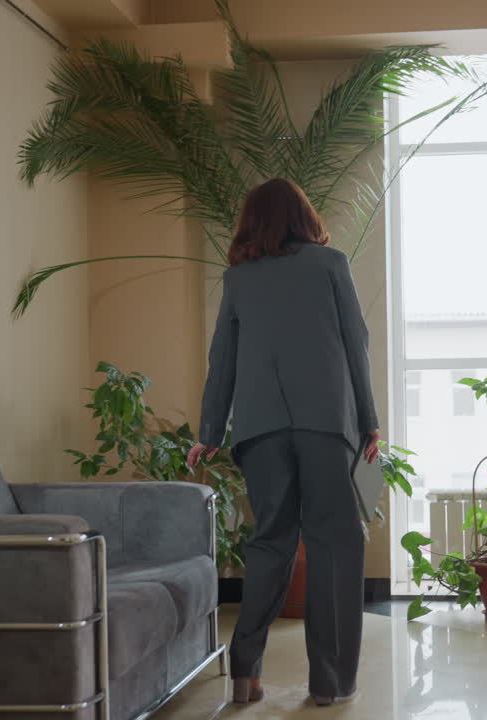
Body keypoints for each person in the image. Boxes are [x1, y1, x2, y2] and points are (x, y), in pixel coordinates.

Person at [187, 177, 380, 707]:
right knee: (335, 546)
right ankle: (329, 685)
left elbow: (221, 359)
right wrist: (370, 422)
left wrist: (209, 433)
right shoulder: (331, 265)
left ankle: (245, 672)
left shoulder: (239, 279)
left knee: (270, 542)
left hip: (260, 428)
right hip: (326, 425)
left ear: (253, 221)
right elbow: (355, 345)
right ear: (304, 216)